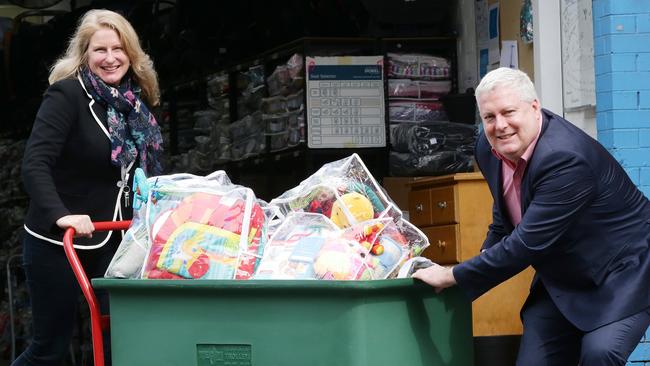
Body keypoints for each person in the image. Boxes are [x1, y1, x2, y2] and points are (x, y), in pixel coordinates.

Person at [412, 67, 650, 365]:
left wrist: (452, 275)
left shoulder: (565, 159)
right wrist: (485, 257)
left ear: (534, 108)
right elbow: (505, 214)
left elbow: (525, 244)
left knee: (600, 354)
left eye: (509, 112)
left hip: (621, 271)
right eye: (489, 117)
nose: (500, 125)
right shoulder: (488, 148)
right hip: (562, 274)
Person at [17, 9, 162, 365]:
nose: (110, 58)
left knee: (123, 340)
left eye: (118, 49)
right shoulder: (66, 97)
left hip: (117, 239)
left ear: (131, 53)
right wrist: (61, 216)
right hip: (59, 241)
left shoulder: (135, 104)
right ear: (84, 54)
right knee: (50, 348)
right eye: (100, 50)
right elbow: (35, 164)